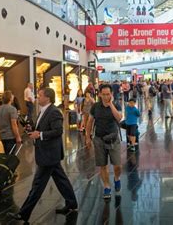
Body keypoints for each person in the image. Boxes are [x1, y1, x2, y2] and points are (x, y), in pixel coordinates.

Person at [8, 88, 77, 222]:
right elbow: (41, 129)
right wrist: (31, 128)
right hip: (48, 153)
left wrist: (40, 135)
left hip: (49, 154)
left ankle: (24, 213)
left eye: (39, 96)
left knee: (37, 185)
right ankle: (71, 203)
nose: (37, 98)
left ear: (48, 98)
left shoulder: (54, 112)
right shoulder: (43, 111)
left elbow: (58, 131)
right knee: (61, 180)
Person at [85, 84, 123, 200]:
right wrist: (88, 137)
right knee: (103, 165)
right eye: (104, 94)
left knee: (117, 165)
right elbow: (90, 122)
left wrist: (110, 104)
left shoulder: (116, 104)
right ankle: (106, 186)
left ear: (111, 94)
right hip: (99, 139)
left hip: (113, 138)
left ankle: (117, 178)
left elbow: (119, 118)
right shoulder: (95, 107)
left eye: (108, 94)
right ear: (100, 94)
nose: (106, 97)